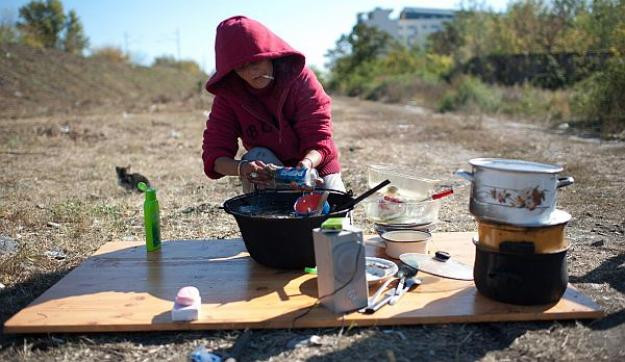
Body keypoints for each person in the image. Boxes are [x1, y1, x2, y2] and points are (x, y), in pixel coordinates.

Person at [202, 15, 345, 193]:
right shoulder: (228, 96)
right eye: (241, 67)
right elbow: (214, 155)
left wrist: (305, 166)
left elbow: (320, 141)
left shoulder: (301, 80)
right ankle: (267, 213)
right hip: (269, 176)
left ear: (270, 55)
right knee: (256, 155)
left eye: (256, 61)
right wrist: (244, 168)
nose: (251, 71)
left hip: (314, 168)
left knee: (336, 212)